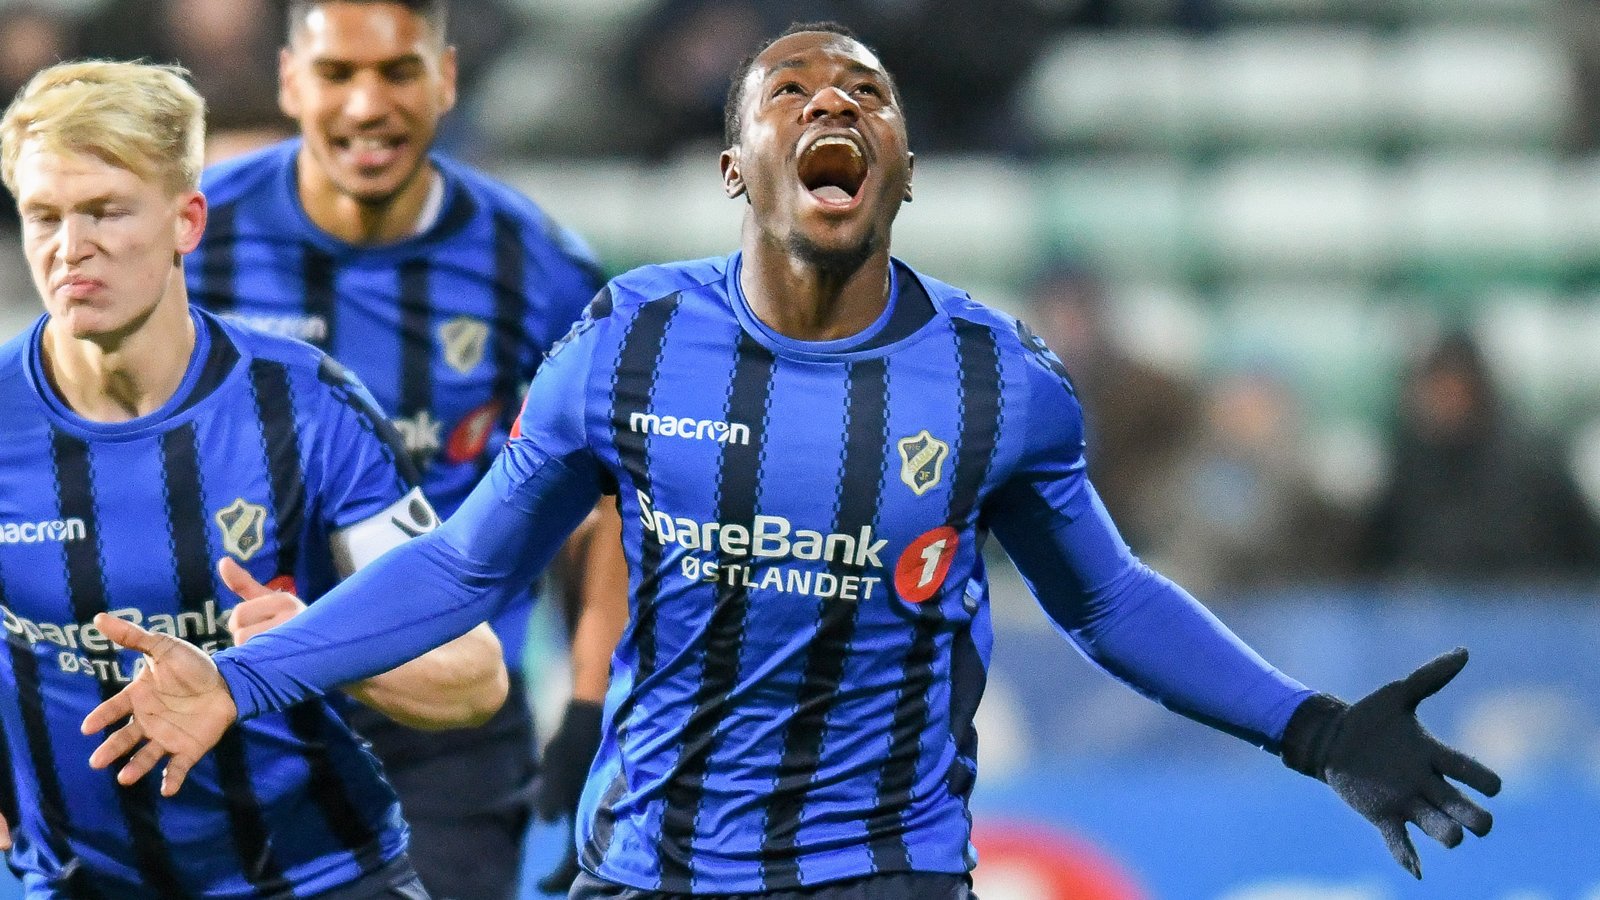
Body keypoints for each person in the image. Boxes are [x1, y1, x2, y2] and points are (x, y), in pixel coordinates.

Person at [85, 24, 1501, 898]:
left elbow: (1109, 599)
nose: (835, 105)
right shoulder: (629, 343)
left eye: (868, 95)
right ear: (735, 168)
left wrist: (1313, 731)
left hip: (876, 876)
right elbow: (466, 568)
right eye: (793, 90)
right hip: (646, 866)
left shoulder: (997, 379)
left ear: (902, 168)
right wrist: (245, 676)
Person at [0, 59, 508, 897]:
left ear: (187, 221)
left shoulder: (304, 407)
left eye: (105, 211)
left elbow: (474, 671)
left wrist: (315, 647)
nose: (69, 247)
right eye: (43, 216)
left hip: (321, 879)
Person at [182, 2, 631, 896]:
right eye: (337, 74)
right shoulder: (191, 238)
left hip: (444, 715)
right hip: (231, 695)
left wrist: (589, 710)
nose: (367, 105)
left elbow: (609, 495)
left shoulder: (536, 267)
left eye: (397, 72)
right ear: (290, 81)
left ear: (446, 79)